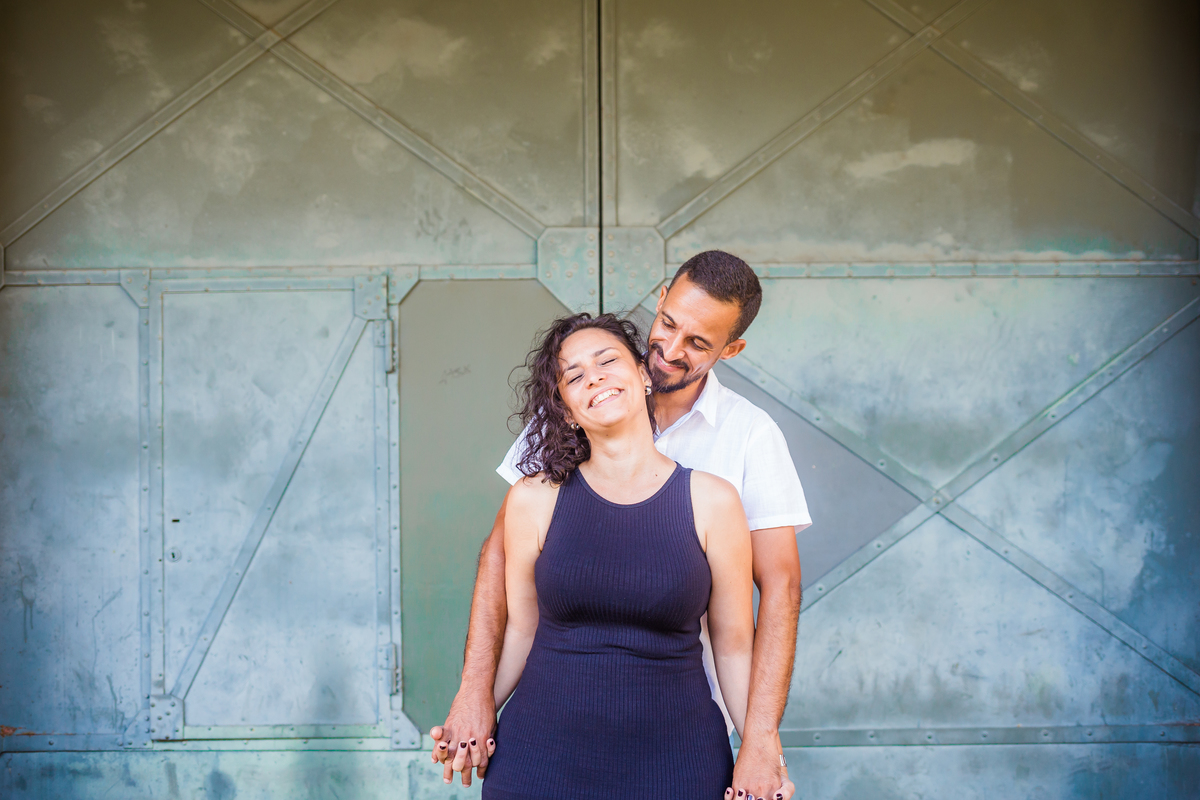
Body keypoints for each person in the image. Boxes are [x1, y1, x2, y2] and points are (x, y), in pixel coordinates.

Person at [434, 251, 811, 800]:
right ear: (661, 299)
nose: (672, 350)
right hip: (544, 748)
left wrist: (761, 743)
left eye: (698, 343)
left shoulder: (746, 445)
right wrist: (474, 696)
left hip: (676, 737)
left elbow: (777, 591)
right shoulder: (559, 439)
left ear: (732, 349)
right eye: (669, 325)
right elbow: (502, 558)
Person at [476, 313, 755, 799]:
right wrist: (473, 707)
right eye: (575, 376)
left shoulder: (714, 501)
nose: (595, 377)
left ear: (645, 375)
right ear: (564, 408)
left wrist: (761, 747)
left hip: (679, 766)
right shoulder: (533, 498)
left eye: (607, 361)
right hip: (538, 764)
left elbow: (733, 647)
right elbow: (523, 628)